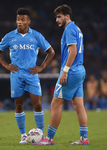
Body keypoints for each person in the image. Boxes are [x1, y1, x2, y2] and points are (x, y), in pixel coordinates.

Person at [0, 8, 55, 144]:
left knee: (38, 105)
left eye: (22, 20)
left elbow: (51, 52)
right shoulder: (10, 36)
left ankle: (41, 135)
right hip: (16, 75)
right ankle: (23, 135)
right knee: (19, 106)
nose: (19, 22)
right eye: (18, 19)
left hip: (32, 75)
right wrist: (6, 65)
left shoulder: (36, 36)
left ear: (28, 21)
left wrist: (42, 67)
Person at [35, 5, 89, 145]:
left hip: (71, 72)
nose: (57, 20)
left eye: (59, 16)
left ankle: (49, 138)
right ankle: (84, 139)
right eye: (56, 17)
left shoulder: (70, 29)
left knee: (55, 104)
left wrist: (64, 71)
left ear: (67, 16)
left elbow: (73, 52)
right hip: (80, 70)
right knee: (79, 105)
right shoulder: (77, 28)